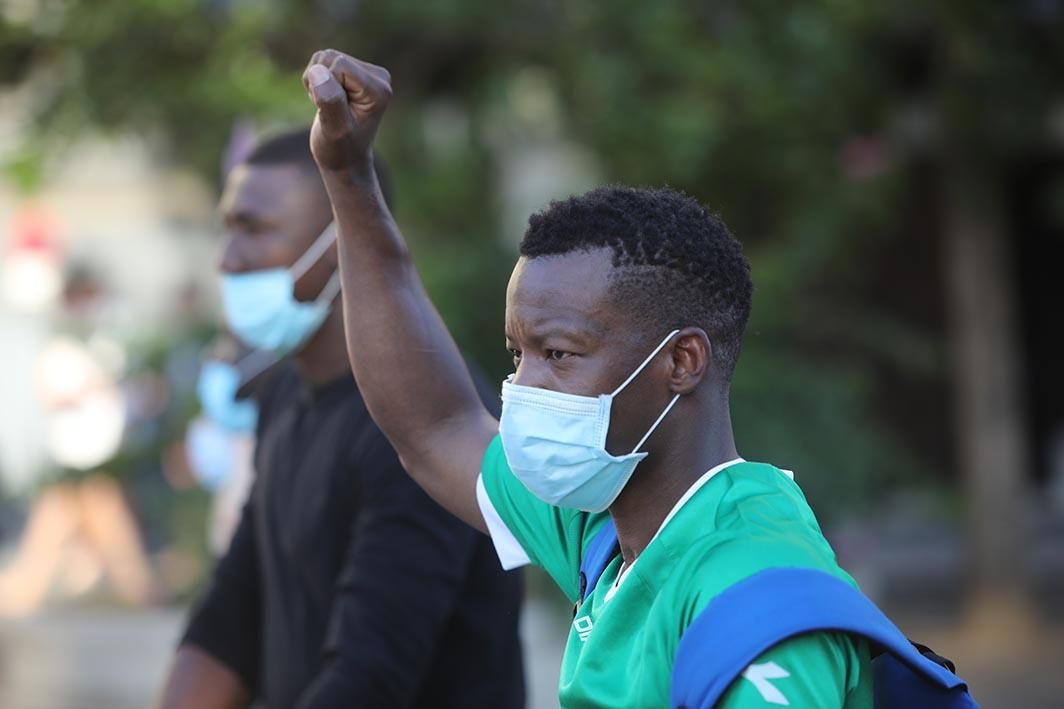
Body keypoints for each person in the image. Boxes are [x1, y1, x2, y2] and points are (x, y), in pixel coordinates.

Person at [300, 52, 876, 707]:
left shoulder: (758, 602)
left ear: (681, 362)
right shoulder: (605, 524)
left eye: (560, 354)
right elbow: (434, 426)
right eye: (518, 354)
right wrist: (347, 174)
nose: (524, 388)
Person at [158, 129, 525, 709]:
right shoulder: (285, 397)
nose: (227, 259)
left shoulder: (425, 428)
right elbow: (230, 615)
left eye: (253, 229)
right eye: (227, 228)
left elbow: (369, 678)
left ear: (340, 244)